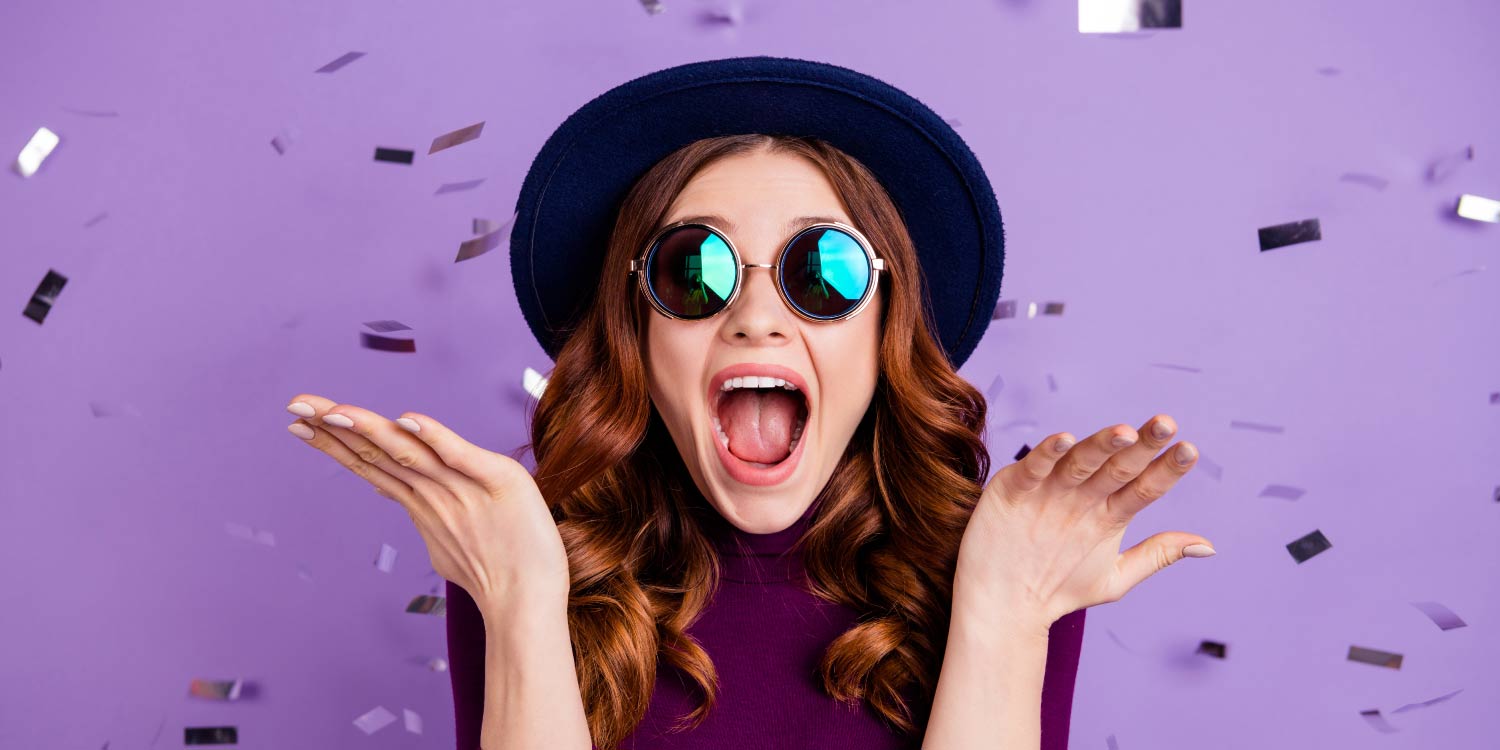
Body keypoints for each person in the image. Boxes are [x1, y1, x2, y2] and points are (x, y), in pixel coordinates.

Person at [283, 56, 1214, 750]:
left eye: (825, 271)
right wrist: (522, 595)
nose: (757, 317)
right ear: (635, 332)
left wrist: (1007, 605)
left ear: (886, 326)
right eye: (697, 271)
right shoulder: (526, 555)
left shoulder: (1011, 560)